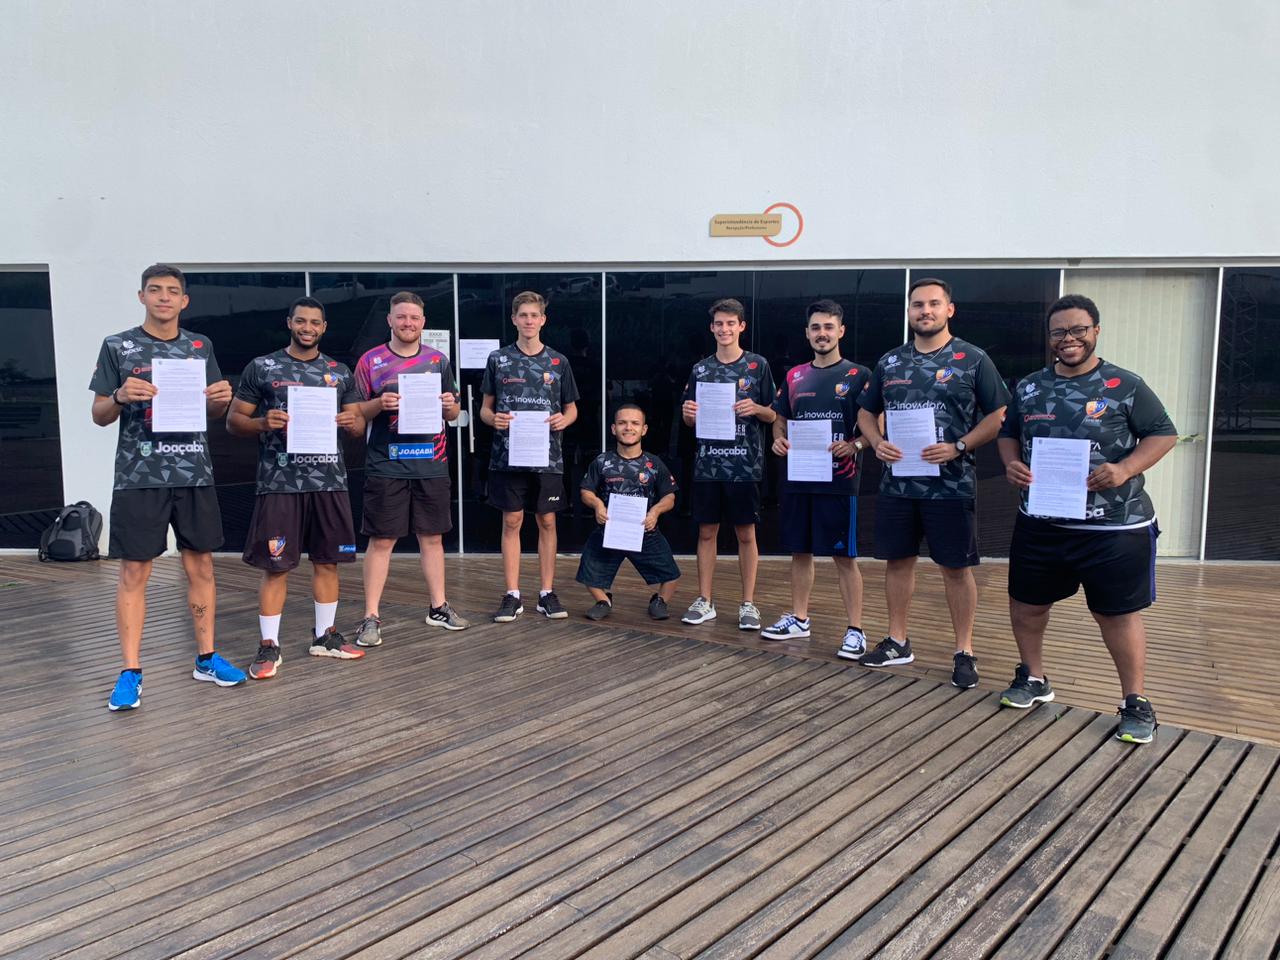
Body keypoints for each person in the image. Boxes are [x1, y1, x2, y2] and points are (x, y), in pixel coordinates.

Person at [997, 294, 1177, 744]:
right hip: (1042, 522)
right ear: (1050, 338)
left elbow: (1163, 434)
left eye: (1078, 329)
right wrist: (1012, 464)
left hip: (1113, 525)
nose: (1069, 339)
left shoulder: (1125, 385)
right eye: (1059, 332)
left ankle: (1135, 700)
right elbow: (1008, 433)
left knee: (1115, 615)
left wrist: (1125, 469)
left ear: (1095, 331)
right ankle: (1033, 677)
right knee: (1027, 605)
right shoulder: (1030, 387)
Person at [91, 264, 245, 710]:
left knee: (202, 567)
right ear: (141, 296)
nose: (164, 297)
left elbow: (212, 411)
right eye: (155, 290)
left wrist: (220, 402)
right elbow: (99, 414)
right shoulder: (118, 345)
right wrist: (119, 396)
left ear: (184, 300)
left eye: (172, 291)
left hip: (194, 473)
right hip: (138, 476)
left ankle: (207, 658)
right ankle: (130, 671)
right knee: (134, 572)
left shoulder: (200, 346)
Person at [855, 277, 1009, 688]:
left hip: (951, 486)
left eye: (934, 304)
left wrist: (959, 446)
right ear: (909, 312)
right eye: (918, 304)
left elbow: (997, 415)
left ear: (949, 310)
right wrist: (876, 442)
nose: (925, 311)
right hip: (898, 485)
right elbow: (865, 412)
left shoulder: (972, 359)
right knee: (898, 562)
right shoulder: (890, 362)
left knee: (956, 568)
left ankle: (964, 650)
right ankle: (898, 641)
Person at [227, 297, 366, 679]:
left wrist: (350, 422)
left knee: (328, 561)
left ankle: (325, 636)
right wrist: (262, 423)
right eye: (301, 321)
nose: (308, 328)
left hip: (329, 481)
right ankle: (269, 645)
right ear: (289, 323)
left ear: (324, 327)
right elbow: (234, 421)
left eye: (315, 323)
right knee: (276, 566)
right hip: (280, 482)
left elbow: (357, 425)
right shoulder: (263, 367)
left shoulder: (339, 372)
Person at [350, 292, 469, 647]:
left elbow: (453, 411)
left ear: (423, 322)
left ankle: (438, 607)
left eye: (414, 318)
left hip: (431, 462)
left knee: (432, 538)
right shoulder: (370, 361)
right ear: (390, 320)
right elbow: (354, 413)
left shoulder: (437, 360)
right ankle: (371, 616)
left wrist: (449, 406)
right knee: (382, 540)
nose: (408, 323)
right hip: (386, 463)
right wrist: (378, 404)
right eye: (401, 317)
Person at [763, 299, 872, 658]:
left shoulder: (859, 375)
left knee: (844, 557)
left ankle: (855, 629)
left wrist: (855, 445)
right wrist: (779, 439)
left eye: (828, 327)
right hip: (800, 476)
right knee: (800, 551)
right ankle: (799, 618)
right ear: (807, 333)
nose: (822, 334)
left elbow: (877, 424)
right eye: (815, 327)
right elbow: (780, 418)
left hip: (840, 480)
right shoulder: (795, 376)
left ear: (841, 331)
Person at [479, 291, 579, 621]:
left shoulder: (558, 361)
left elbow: (572, 409)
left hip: (547, 456)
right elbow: (484, 409)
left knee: (547, 520)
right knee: (512, 521)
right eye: (523, 315)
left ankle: (546, 592)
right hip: (507, 456)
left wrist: (565, 420)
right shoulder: (498, 359)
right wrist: (492, 419)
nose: (529, 321)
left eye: (534, 315)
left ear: (543, 320)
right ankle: (512, 594)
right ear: (514, 319)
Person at [678, 298, 777, 630]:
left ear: (741, 326)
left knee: (746, 533)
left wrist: (756, 409)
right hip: (708, 465)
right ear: (712, 328)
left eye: (730, 323)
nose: (724, 329)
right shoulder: (700, 369)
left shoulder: (758, 365)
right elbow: (689, 419)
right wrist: (688, 414)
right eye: (719, 323)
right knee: (707, 532)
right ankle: (705, 600)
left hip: (745, 466)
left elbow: (774, 414)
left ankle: (748, 604)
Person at [576, 402, 681, 620]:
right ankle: (603, 601)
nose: (628, 428)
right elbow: (586, 491)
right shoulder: (602, 462)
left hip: (645, 531)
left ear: (644, 429)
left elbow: (670, 496)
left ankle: (660, 601)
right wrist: (597, 505)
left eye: (635, 423)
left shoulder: (654, 463)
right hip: (608, 531)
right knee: (588, 571)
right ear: (613, 428)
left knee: (671, 575)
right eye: (622, 423)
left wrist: (655, 512)